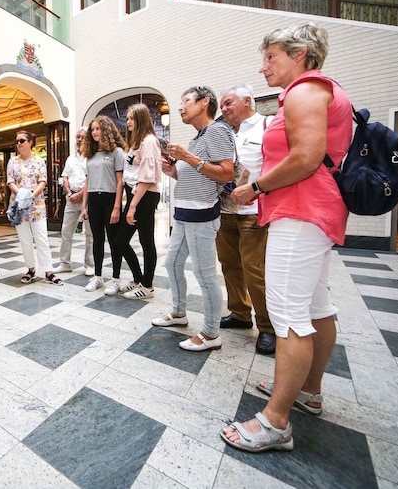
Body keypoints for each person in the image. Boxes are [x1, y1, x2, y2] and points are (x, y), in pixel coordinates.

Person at [221, 22, 353, 453]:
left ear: (300, 54)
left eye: (271, 57)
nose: (263, 68)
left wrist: (256, 188)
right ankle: (308, 390)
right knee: (316, 305)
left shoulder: (306, 90)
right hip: (314, 210)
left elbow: (306, 157)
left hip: (301, 209)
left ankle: (276, 421)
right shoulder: (320, 90)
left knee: (288, 313)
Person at [150, 86, 234, 353]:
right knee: (173, 262)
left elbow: (226, 173)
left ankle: (211, 333)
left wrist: (187, 157)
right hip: (184, 213)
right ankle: (178, 313)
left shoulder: (217, 131)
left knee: (205, 274)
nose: (181, 107)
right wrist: (173, 170)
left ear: (205, 102)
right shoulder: (199, 137)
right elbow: (196, 174)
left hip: (202, 214)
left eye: (186, 101)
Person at [216, 84, 275, 354]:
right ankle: (239, 313)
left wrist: (257, 190)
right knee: (229, 266)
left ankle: (267, 327)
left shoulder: (267, 126)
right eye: (222, 106)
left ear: (248, 100)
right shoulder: (225, 133)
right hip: (226, 212)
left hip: (253, 213)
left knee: (254, 270)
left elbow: (278, 167)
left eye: (228, 103)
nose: (224, 109)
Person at [111, 103, 162, 299]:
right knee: (121, 239)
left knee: (146, 240)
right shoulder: (136, 143)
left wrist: (132, 206)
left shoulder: (149, 141)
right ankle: (139, 279)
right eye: (127, 118)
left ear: (141, 119)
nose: (128, 122)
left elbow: (147, 177)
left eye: (132, 118)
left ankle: (147, 286)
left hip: (145, 195)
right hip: (136, 194)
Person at [7, 130, 63, 285]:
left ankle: (48, 271)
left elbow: (42, 181)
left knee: (42, 239)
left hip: (36, 206)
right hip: (19, 206)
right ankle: (31, 269)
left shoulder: (39, 161)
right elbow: (10, 181)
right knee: (25, 240)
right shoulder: (12, 161)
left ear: (31, 142)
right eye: (17, 141)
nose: (19, 144)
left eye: (22, 140)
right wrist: (22, 196)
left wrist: (30, 196)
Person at [81, 116, 125, 293]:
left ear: (106, 129)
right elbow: (87, 182)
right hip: (93, 200)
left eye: (98, 128)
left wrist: (116, 207)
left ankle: (115, 279)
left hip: (110, 199)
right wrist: (84, 207)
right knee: (97, 240)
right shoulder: (90, 155)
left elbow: (120, 182)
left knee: (114, 241)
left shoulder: (116, 152)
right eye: (92, 129)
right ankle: (98, 276)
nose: (94, 132)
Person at [54, 128, 94, 276]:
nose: (79, 140)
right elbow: (65, 177)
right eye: (77, 137)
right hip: (70, 199)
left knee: (90, 233)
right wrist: (70, 193)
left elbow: (92, 179)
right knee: (66, 231)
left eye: (82, 137)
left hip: (87, 199)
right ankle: (65, 263)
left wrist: (80, 194)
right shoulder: (70, 158)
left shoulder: (92, 158)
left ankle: (90, 264)